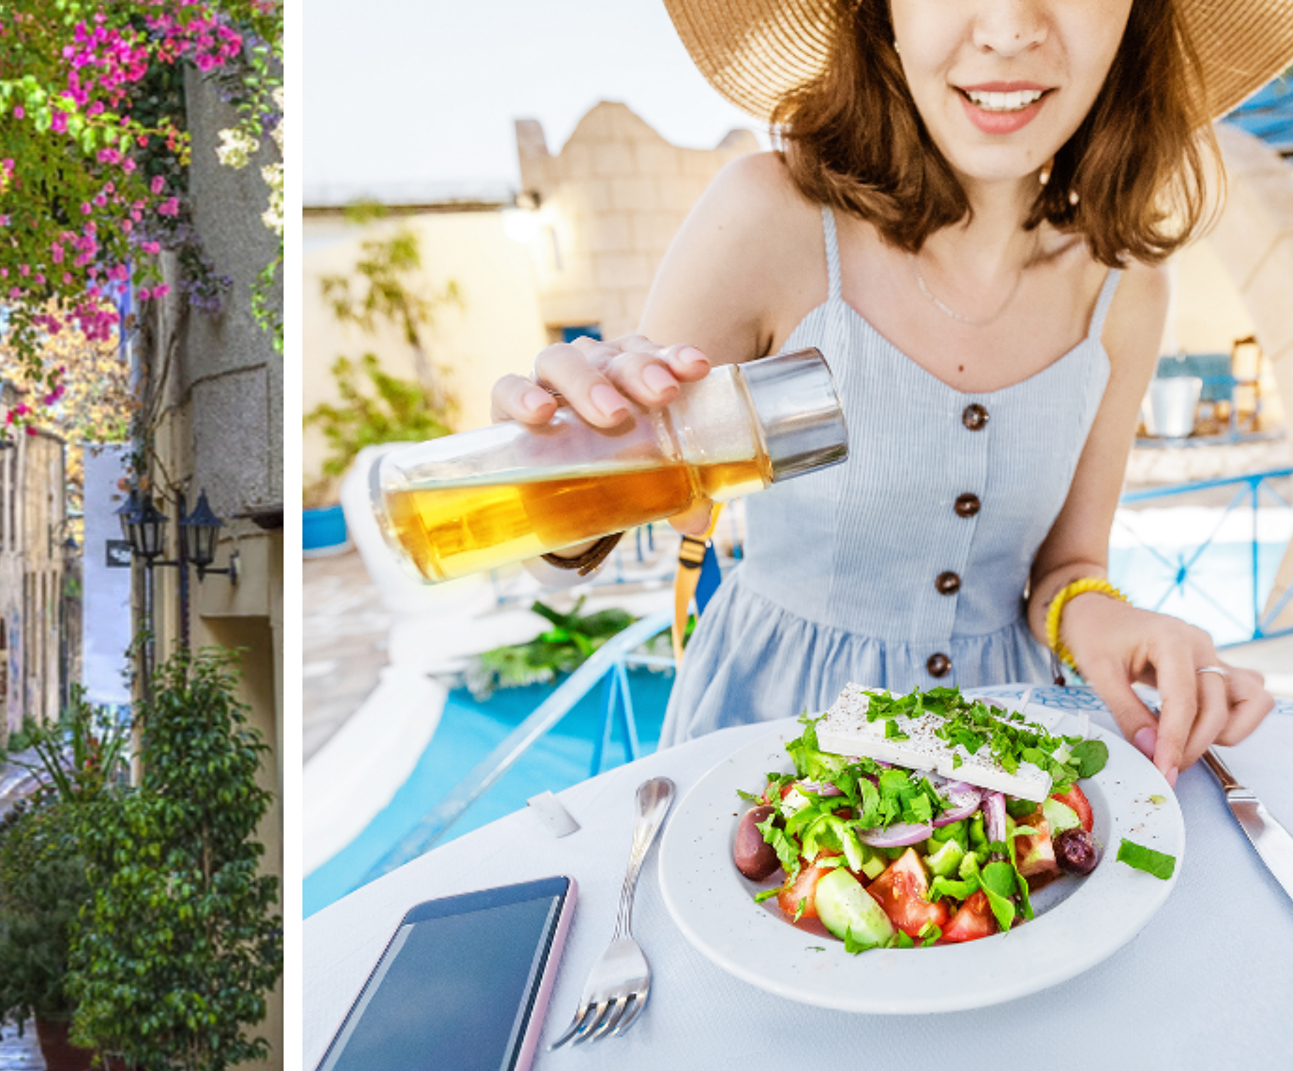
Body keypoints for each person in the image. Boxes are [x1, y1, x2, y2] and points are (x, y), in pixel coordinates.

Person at [493, 0, 1285, 780]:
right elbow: (584, 530)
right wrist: (548, 459)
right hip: (765, 744)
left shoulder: (1126, 289)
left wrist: (1110, 618)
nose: (1009, 27)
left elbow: (1068, 564)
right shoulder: (767, 218)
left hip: (1000, 758)